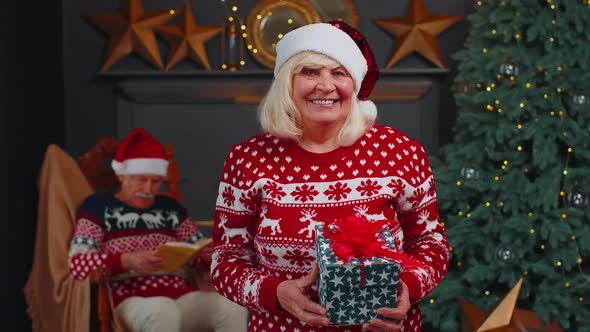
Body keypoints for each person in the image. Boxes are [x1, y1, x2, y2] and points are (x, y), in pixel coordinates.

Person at [210, 21, 449, 332]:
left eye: (339, 73)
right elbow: (225, 261)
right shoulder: (248, 158)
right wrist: (276, 292)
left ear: (355, 84)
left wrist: (407, 287)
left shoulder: (399, 152)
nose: (325, 85)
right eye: (310, 72)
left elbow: (431, 243)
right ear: (288, 82)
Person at [69, 128, 248, 332]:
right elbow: (78, 264)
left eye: (156, 182)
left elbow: (196, 252)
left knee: (231, 307)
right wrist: (126, 260)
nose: (148, 189)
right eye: (141, 180)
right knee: (162, 309)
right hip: (130, 300)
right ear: (122, 177)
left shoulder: (171, 208)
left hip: (181, 297)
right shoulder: (96, 207)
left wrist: (207, 255)